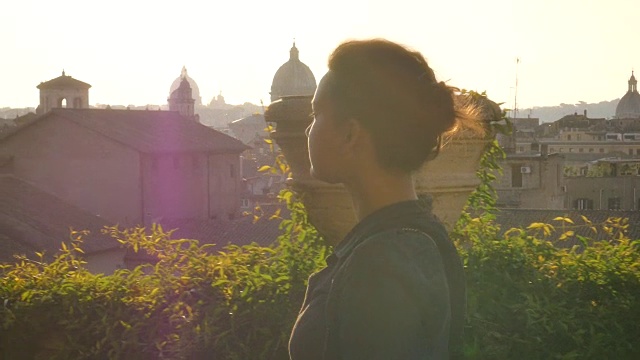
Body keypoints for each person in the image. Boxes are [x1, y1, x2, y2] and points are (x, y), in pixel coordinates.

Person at [288, 39, 481, 360]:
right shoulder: (406, 241)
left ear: (350, 134)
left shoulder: (381, 267)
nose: (309, 130)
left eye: (316, 114)